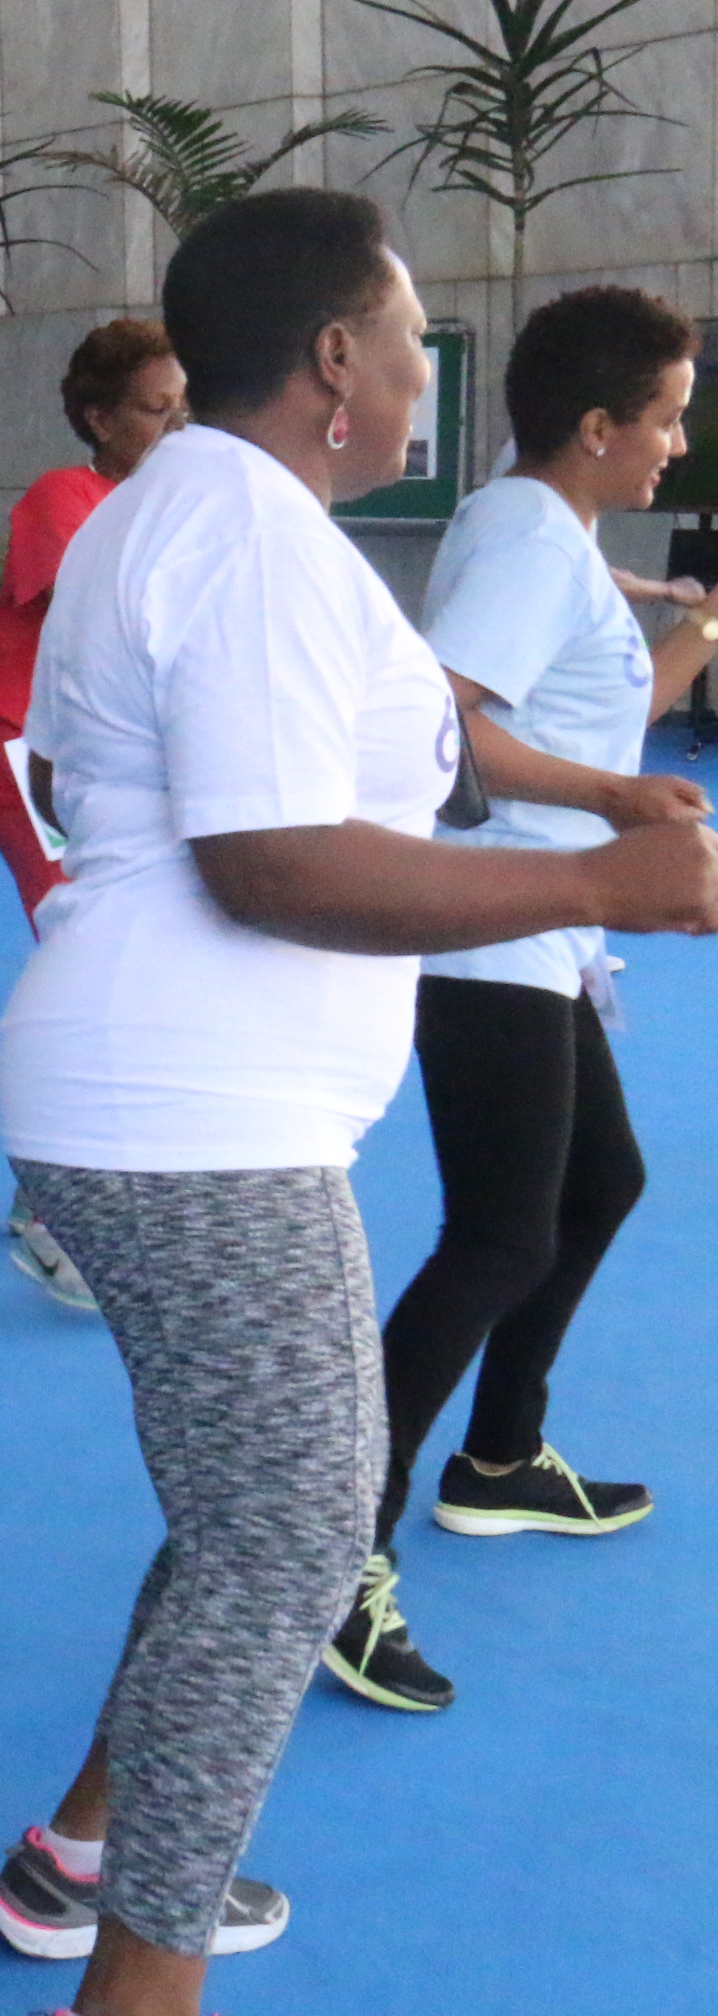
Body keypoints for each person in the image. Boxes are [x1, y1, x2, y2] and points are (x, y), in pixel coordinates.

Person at [0, 190, 718, 2014]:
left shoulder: (225, 518)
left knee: (251, 1504)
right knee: (297, 1534)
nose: (417, 373)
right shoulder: (241, 532)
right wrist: (587, 888)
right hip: (188, 1113)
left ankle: (78, 1846)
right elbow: (273, 864)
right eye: (401, 338)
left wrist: (602, 801)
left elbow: (427, 748)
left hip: (182, 1094)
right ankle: (137, 1977)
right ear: (331, 359)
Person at [322, 286, 718, 1718]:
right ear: (598, 425)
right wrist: (617, 800)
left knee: (599, 1182)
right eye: (665, 418)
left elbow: (594, 719)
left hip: (549, 931)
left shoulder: (555, 538)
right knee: (497, 1240)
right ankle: (334, 1554)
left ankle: (499, 1459)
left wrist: (699, 637)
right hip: (485, 932)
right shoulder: (525, 542)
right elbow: (447, 720)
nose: (677, 442)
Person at [0, 322, 188, 1312]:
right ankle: (61, 1219)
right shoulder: (66, 498)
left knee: (101, 968)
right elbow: (111, 625)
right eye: (154, 405)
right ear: (98, 416)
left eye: (183, 402)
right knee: (100, 972)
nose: (175, 419)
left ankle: (41, 1197)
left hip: (99, 776)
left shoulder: (158, 502)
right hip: (31, 761)